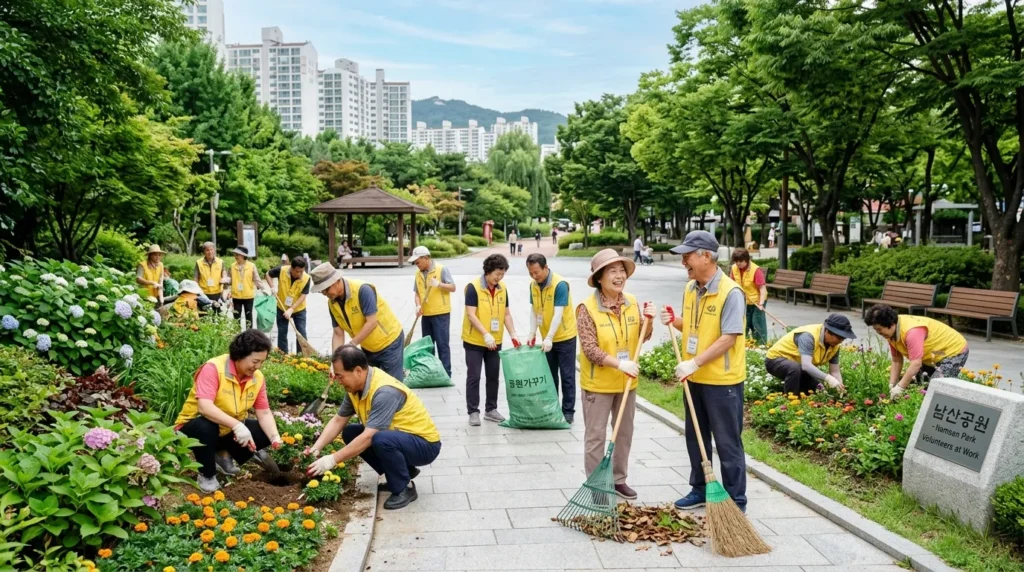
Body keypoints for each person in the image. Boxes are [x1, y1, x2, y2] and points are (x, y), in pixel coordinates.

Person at [664, 230, 748, 513]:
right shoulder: (690, 288)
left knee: (727, 443)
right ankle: (699, 489)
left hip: (722, 382)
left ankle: (736, 500)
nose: (683, 261)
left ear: (707, 256)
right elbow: (693, 327)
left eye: (688, 255)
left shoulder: (730, 292)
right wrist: (673, 321)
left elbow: (729, 337)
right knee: (695, 438)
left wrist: (695, 362)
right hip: (694, 379)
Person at [305, 346, 441, 510]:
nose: (338, 381)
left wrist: (331, 460)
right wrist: (315, 449)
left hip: (425, 445)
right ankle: (402, 472)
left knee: (379, 439)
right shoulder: (355, 388)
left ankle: (404, 488)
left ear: (358, 371)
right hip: (401, 439)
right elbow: (338, 420)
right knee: (350, 432)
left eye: (340, 376)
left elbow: (369, 436)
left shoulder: (384, 391)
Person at [576, 249, 655, 500]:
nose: (619, 276)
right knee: (596, 437)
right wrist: (618, 364)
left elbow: (645, 334)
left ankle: (619, 479)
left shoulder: (631, 301)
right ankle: (597, 484)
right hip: (598, 384)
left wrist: (650, 320)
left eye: (622, 271)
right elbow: (590, 349)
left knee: (623, 434)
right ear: (600, 277)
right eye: (613, 271)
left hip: (626, 383)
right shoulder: (586, 308)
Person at [174, 329, 283, 492]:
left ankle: (223, 455)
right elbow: (204, 407)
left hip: (224, 430)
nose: (258, 366)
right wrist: (237, 426)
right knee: (207, 426)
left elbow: (264, 412)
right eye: (255, 361)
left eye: (262, 362)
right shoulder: (214, 368)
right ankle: (207, 474)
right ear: (240, 354)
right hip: (193, 428)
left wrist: (275, 438)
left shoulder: (257, 377)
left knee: (263, 432)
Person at [309, 262, 406, 381]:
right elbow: (338, 333)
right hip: (368, 346)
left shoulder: (362, 290)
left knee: (393, 386)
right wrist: (335, 364)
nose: (324, 294)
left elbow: (372, 322)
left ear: (336, 281)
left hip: (390, 342)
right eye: (321, 291)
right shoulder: (332, 303)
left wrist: (352, 344)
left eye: (326, 289)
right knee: (371, 385)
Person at [462, 254, 522, 426]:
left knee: (493, 376)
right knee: (474, 376)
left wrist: (513, 334)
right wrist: (485, 334)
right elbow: (471, 314)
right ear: (487, 271)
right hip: (475, 340)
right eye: (497, 274)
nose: (499, 277)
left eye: (502, 274)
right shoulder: (473, 287)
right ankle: (473, 411)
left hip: (495, 341)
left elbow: (507, 314)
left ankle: (491, 409)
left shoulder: (502, 288)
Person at [864, 305, 969, 397]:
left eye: (879, 329)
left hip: (952, 351)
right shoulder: (892, 331)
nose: (878, 333)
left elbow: (916, 364)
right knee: (916, 386)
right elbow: (896, 359)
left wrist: (900, 388)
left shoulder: (912, 332)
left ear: (891, 324)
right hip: (933, 352)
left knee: (933, 390)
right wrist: (892, 384)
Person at [527, 253, 578, 424]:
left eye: (537, 272)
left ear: (546, 267)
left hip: (565, 337)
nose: (534, 276)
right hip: (546, 339)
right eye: (531, 273)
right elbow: (534, 311)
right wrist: (532, 333)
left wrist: (549, 337)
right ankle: (553, 407)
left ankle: (568, 411)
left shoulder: (560, 284)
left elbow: (558, 313)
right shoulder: (533, 286)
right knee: (550, 375)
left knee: (567, 375)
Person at [765, 314, 856, 395]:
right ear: (827, 331)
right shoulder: (808, 336)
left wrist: (839, 386)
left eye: (843, 338)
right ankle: (790, 401)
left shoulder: (835, 346)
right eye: (839, 337)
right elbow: (806, 365)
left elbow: (835, 371)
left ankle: (799, 393)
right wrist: (828, 379)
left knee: (819, 389)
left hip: (799, 366)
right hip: (775, 360)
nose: (840, 341)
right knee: (794, 368)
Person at [409, 246, 456, 377]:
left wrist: (439, 284)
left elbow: (453, 287)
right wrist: (418, 306)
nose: (416, 265)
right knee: (428, 347)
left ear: (426, 258)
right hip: (426, 315)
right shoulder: (418, 274)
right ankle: (431, 373)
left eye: (418, 262)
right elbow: (417, 293)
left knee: (442, 345)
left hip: (441, 313)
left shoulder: (441, 269)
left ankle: (446, 374)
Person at [266, 257, 310, 354]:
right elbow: (268, 274)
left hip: (299, 309)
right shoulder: (282, 270)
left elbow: (303, 296)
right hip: (282, 307)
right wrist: (272, 287)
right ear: (291, 268)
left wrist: (291, 309)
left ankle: (301, 355)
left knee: (301, 332)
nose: (299, 274)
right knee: (282, 332)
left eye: (302, 271)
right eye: (297, 271)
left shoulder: (306, 278)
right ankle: (283, 355)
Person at [729, 248, 768, 345]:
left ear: (746, 260)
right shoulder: (734, 268)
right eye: (736, 261)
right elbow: (731, 284)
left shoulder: (756, 270)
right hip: (743, 301)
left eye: (741, 261)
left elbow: (762, 288)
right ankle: (744, 344)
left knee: (757, 323)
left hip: (757, 301)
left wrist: (761, 304)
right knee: (744, 323)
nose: (738, 263)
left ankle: (761, 345)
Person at [226, 247, 260, 324]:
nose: (235, 256)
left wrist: (263, 289)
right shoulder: (232, 266)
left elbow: (256, 279)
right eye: (235, 254)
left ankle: (249, 335)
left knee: (249, 318)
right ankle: (237, 334)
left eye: (237, 254)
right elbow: (229, 279)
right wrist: (226, 285)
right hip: (236, 296)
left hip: (248, 296)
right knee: (236, 317)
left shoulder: (252, 266)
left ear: (243, 255)